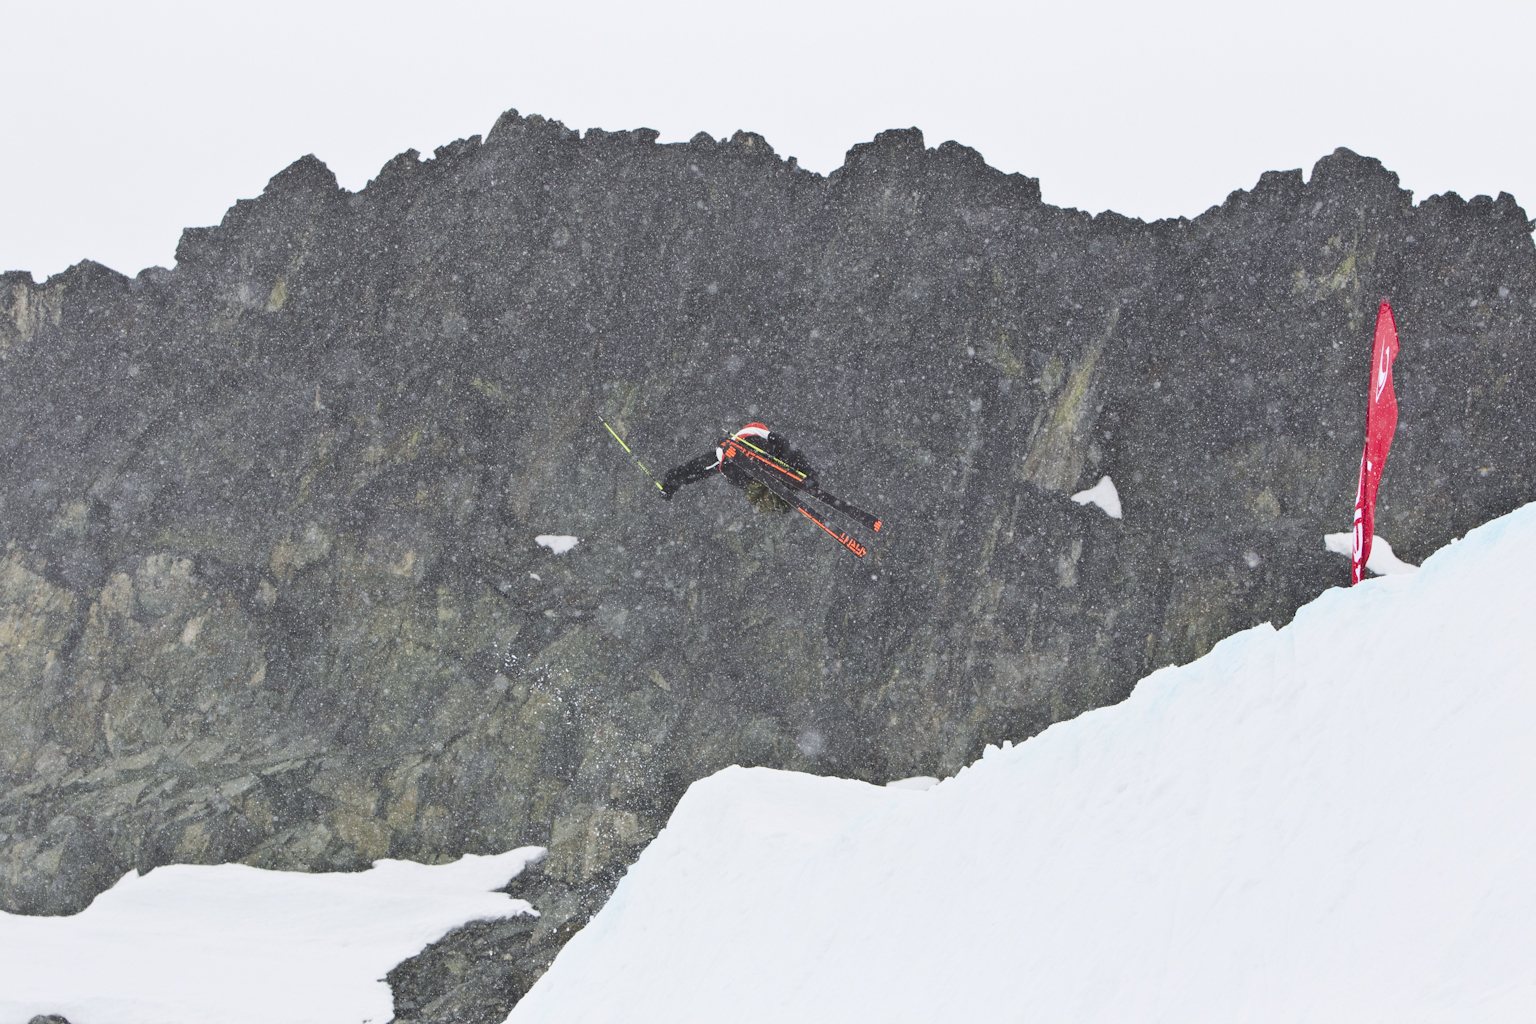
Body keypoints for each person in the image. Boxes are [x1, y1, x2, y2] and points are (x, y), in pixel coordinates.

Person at [660, 422, 816, 512]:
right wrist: (670, 484)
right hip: (746, 467)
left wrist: (809, 474)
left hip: (751, 462)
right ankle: (779, 495)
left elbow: (696, 469)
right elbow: (695, 469)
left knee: (767, 493)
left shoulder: (755, 435)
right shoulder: (726, 455)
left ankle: (780, 492)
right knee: (764, 495)